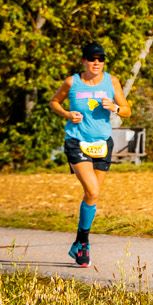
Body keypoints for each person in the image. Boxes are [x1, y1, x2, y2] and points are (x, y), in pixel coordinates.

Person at [46, 43, 129, 267]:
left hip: (103, 143)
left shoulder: (112, 82)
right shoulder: (72, 82)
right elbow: (54, 101)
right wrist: (66, 113)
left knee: (93, 195)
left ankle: (80, 243)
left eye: (100, 59)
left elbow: (127, 110)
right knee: (91, 189)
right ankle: (83, 244)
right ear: (83, 61)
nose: (96, 63)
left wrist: (115, 108)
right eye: (92, 59)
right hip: (76, 141)